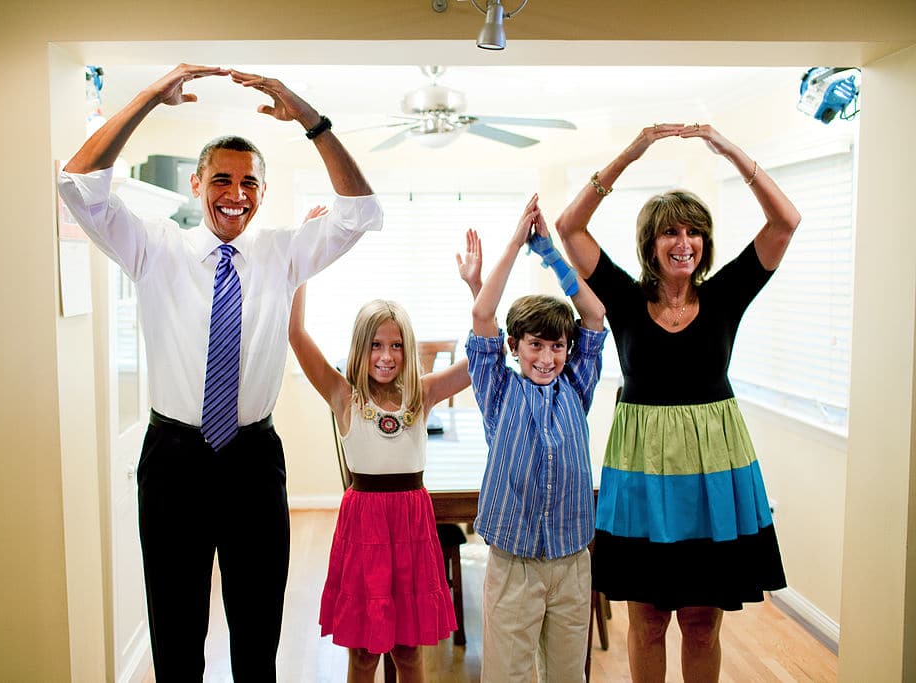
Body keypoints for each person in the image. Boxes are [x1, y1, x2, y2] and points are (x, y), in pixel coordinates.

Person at [56, 63, 382, 681]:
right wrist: (149, 97)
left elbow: (360, 211)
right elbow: (77, 184)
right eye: (222, 180)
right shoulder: (154, 248)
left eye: (249, 182)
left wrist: (310, 119)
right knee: (176, 636)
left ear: (262, 190)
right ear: (196, 183)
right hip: (173, 461)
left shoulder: (283, 252)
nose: (237, 194)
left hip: (253, 462)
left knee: (257, 639)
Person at [554, 123, 801, 682]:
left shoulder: (726, 295)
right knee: (647, 621)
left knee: (701, 623)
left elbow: (785, 222)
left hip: (714, 476)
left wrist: (730, 150)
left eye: (694, 232)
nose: (683, 242)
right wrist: (632, 153)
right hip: (642, 476)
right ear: (651, 244)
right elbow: (569, 227)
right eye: (670, 232)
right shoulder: (623, 297)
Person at [286, 230, 481, 682]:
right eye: (376, 344)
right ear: (361, 348)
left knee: (408, 653)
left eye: (396, 345)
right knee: (362, 655)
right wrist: (302, 266)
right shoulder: (343, 395)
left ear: (407, 349)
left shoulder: (422, 394)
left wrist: (476, 290)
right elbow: (296, 335)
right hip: (364, 527)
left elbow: (480, 360)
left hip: (411, 524)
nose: (386, 356)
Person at [467, 195, 607, 683]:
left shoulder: (577, 386)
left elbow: (594, 313)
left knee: (568, 676)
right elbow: (483, 313)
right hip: (515, 564)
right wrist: (514, 243)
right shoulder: (499, 390)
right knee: (507, 675)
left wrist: (548, 251)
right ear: (514, 346)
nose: (547, 358)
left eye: (557, 346)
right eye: (535, 345)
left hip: (572, 563)